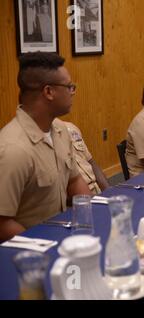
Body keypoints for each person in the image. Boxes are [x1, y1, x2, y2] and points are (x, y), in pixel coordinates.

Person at [0, 52, 91, 242]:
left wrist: (92, 220)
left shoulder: (59, 129)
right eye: (69, 87)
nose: (73, 92)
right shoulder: (13, 149)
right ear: (48, 92)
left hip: (62, 235)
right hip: (31, 253)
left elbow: (75, 182)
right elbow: (2, 223)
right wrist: (45, 248)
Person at [64, 121, 109, 194]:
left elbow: (91, 162)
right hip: (79, 198)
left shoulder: (71, 128)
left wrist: (109, 191)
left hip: (97, 190)